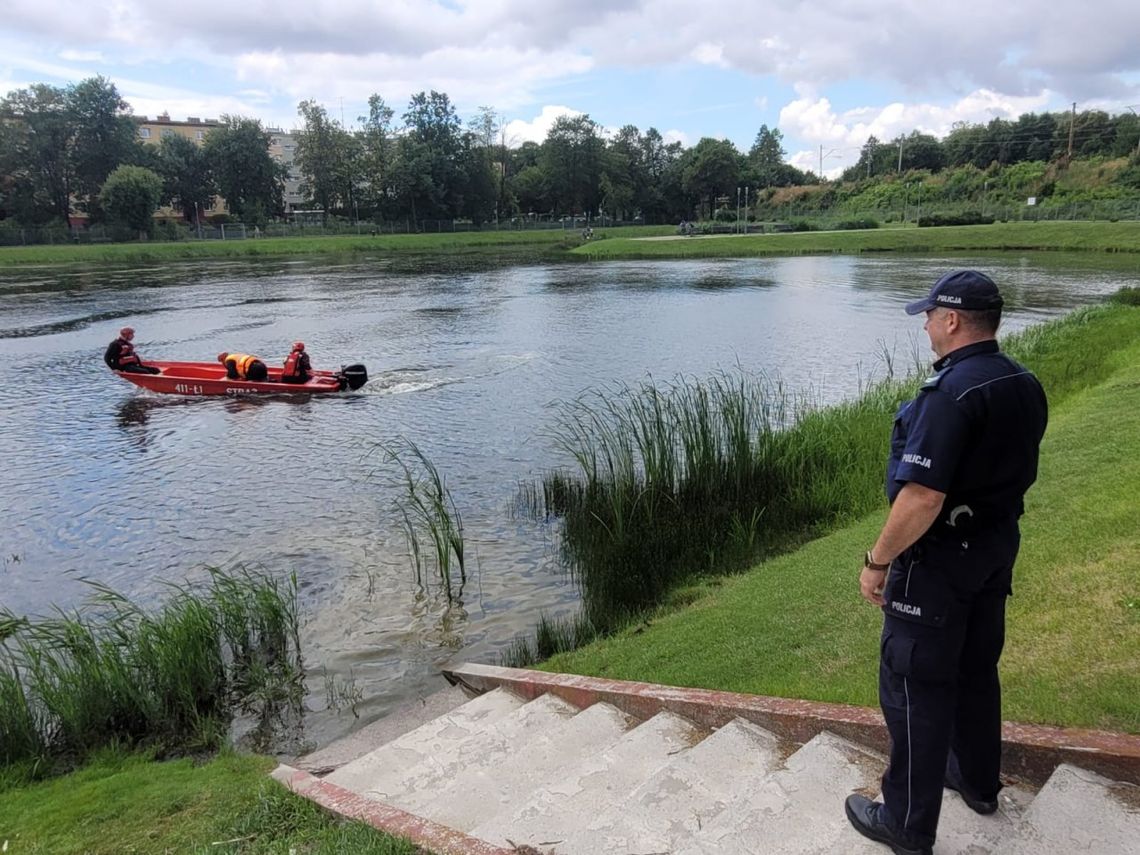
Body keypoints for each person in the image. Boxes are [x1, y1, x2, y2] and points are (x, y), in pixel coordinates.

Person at [844, 270, 1048, 855]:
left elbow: (923, 496)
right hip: (992, 553)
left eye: (930, 315)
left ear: (952, 320)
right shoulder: (1021, 381)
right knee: (976, 671)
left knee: (914, 688)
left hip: (936, 568)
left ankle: (905, 824)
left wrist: (877, 560)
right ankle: (978, 782)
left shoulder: (950, 394)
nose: (927, 325)